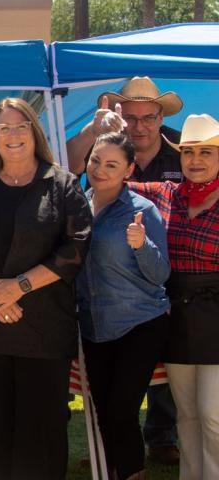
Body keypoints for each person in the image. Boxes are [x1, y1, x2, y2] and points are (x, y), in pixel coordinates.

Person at [0, 97, 91, 480]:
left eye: (21, 126)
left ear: (34, 132)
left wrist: (19, 287)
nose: (13, 135)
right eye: (4, 128)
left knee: (40, 433)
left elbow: (75, 249)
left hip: (43, 330)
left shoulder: (63, 186)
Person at [66, 76, 184, 464]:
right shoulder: (99, 158)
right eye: (130, 117)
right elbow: (64, 164)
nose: (139, 125)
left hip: (170, 277)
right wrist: (92, 131)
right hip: (107, 292)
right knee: (113, 398)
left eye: (148, 117)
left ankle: (160, 434)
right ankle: (112, 450)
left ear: (160, 117)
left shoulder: (182, 151)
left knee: (168, 375)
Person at [127, 113, 219, 480]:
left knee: (213, 415)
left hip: (217, 315)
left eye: (206, 153)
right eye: (189, 152)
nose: (195, 160)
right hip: (177, 317)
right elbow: (113, 180)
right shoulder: (168, 195)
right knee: (187, 414)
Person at [77, 132, 170, 480]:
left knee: (121, 411)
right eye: (96, 160)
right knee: (103, 411)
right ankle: (115, 471)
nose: (100, 169)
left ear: (129, 170)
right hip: (94, 324)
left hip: (140, 324)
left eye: (112, 164)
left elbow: (161, 273)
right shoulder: (79, 206)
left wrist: (141, 243)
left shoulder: (142, 211)